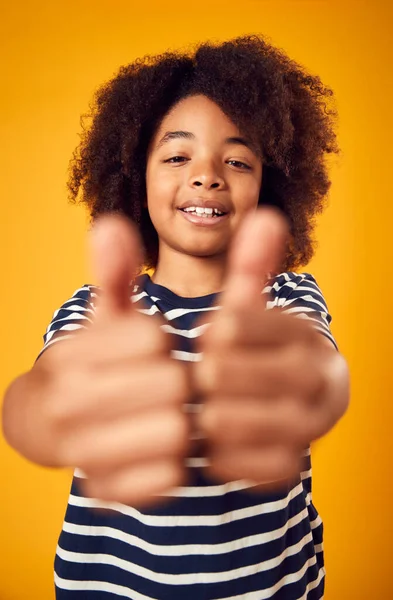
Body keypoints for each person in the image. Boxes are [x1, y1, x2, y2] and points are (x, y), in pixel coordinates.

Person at [2, 34, 350, 599]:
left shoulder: (286, 300)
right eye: (177, 155)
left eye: (237, 160)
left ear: (270, 188)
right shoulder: (97, 310)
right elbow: (38, 399)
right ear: (137, 181)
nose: (207, 175)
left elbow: (322, 373)